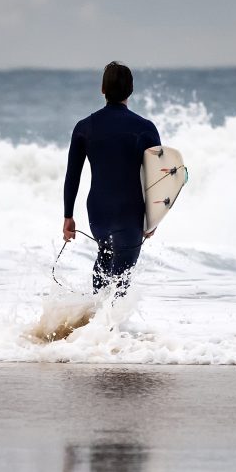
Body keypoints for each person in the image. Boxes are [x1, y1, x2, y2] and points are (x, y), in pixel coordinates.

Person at [62, 61, 162, 296]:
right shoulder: (145, 128)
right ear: (131, 90)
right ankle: (107, 330)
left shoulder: (84, 127)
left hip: (98, 213)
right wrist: (154, 217)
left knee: (105, 263)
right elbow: (158, 177)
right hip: (130, 213)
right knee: (120, 286)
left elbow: (72, 174)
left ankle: (94, 325)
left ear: (102, 89)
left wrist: (68, 216)